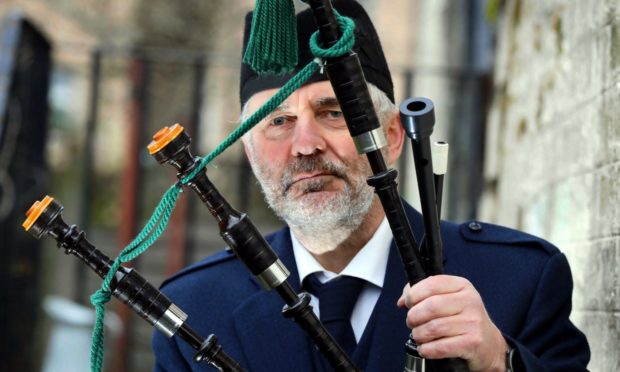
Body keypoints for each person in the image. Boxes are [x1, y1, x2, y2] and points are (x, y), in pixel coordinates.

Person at [152, 1, 590, 371]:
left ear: (393, 136)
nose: (305, 146)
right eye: (279, 122)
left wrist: (500, 360)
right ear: (250, 154)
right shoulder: (195, 308)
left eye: (333, 113)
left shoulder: (520, 279)